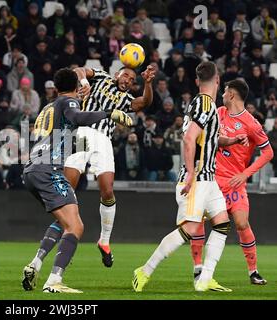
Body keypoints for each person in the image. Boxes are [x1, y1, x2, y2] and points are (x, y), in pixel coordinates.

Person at [132, 61, 248, 292]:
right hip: (197, 179)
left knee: (222, 224)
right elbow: (188, 138)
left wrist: (232, 140)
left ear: (197, 81)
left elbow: (209, 139)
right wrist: (190, 173)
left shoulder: (205, 105)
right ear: (217, 80)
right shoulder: (206, 104)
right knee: (191, 230)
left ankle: (205, 279)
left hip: (208, 179)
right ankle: (144, 270)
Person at [21, 68, 133, 293]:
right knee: (76, 226)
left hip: (32, 170)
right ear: (76, 87)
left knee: (66, 221)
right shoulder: (68, 103)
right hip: (49, 171)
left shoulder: (48, 107)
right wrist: (108, 112)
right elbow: (77, 117)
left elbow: (53, 132)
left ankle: (35, 264)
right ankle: (54, 281)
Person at [61, 64, 155, 267]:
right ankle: (66, 235)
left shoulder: (127, 100)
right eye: (126, 76)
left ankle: (104, 241)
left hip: (103, 140)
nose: (128, 81)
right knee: (67, 189)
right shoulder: (101, 77)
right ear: (116, 74)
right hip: (82, 133)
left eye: (132, 81)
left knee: (108, 191)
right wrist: (84, 82)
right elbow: (77, 69)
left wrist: (148, 83)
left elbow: (145, 102)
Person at [190, 79, 274, 285]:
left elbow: (268, 152)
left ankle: (253, 272)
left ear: (233, 95)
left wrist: (246, 174)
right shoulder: (218, 113)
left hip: (236, 182)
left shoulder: (251, 123)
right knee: (198, 219)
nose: (223, 95)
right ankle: (198, 267)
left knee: (242, 223)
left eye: (225, 92)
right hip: (212, 179)